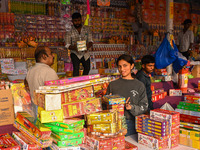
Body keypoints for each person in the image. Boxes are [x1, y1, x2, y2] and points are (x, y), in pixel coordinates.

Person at [106, 54, 148, 136]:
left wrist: (131, 107)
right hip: (113, 122)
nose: (122, 69)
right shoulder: (112, 85)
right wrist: (107, 101)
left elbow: (144, 106)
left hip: (130, 123)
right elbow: (105, 107)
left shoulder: (139, 85)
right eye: (119, 66)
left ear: (132, 66)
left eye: (125, 66)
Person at [26, 46, 59, 118]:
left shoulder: (31, 70)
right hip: (48, 113)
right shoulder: (48, 71)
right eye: (50, 54)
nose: (53, 56)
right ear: (44, 56)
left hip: (35, 111)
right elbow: (56, 94)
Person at [65, 12, 93, 76]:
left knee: (87, 68)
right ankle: (76, 83)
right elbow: (67, 44)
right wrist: (74, 48)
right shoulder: (69, 32)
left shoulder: (87, 29)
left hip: (85, 53)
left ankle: (83, 81)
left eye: (78, 20)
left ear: (81, 20)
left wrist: (87, 46)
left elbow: (91, 41)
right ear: (72, 21)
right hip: (75, 53)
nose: (77, 22)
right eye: (75, 21)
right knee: (76, 69)